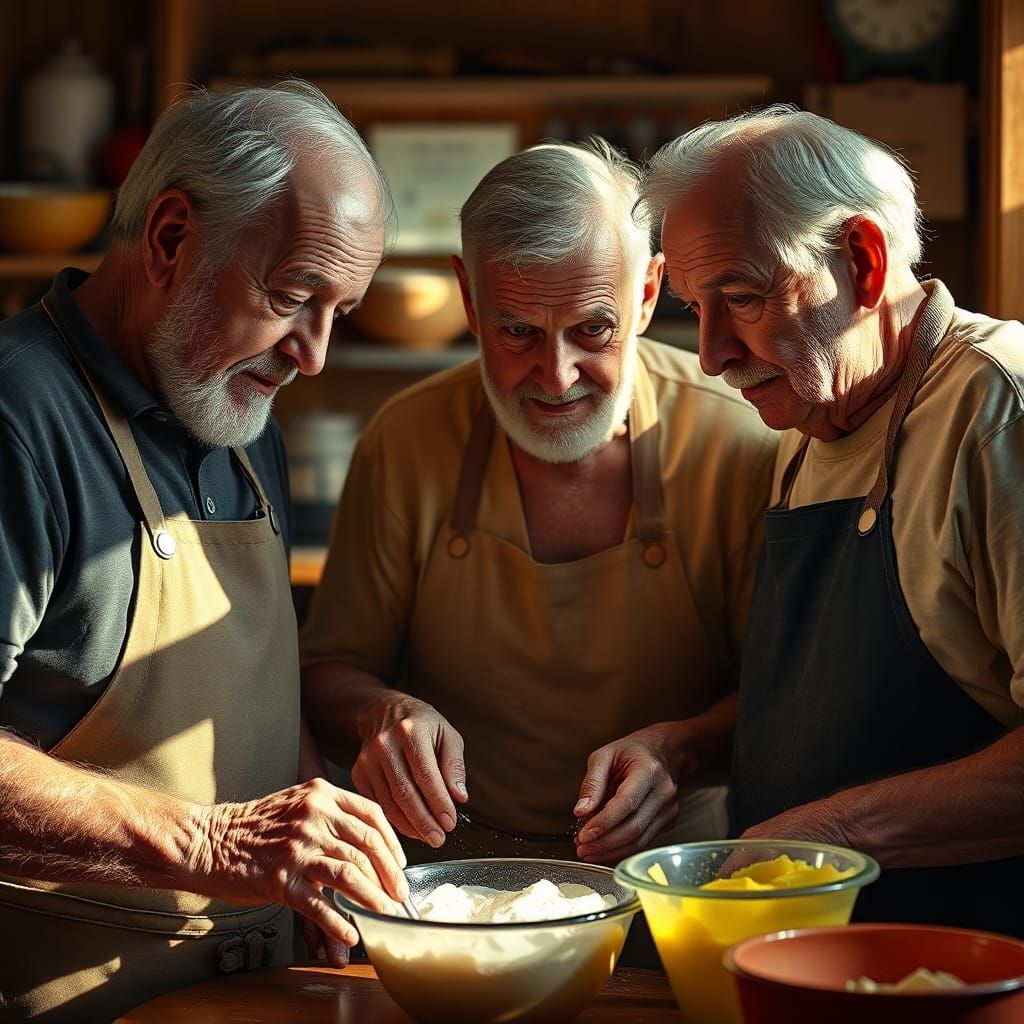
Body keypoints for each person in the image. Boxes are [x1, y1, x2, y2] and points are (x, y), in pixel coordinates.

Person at [0, 82, 410, 1023]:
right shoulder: (20, 418)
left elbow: (258, 691)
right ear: (171, 238)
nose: (313, 354)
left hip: (248, 996)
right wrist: (213, 845)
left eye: (340, 312)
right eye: (293, 297)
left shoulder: (238, 412)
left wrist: (321, 853)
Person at [300, 140, 776, 870]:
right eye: (518, 330)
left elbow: (782, 693)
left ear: (648, 293)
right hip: (451, 876)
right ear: (469, 300)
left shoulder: (737, 441)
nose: (556, 376)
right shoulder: (406, 440)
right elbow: (329, 670)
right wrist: (379, 714)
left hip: (675, 875)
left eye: (593, 329)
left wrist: (678, 750)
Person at [646, 104, 1024, 934]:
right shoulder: (811, 415)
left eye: (741, 296)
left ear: (862, 260)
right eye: (695, 309)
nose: (711, 354)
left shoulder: (996, 408)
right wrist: (683, 748)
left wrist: (836, 835)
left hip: (960, 962)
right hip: (801, 954)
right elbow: (828, 709)